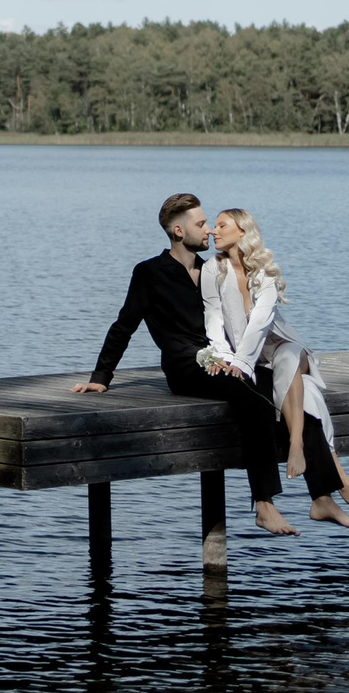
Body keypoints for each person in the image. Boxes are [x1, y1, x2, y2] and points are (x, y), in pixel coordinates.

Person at [75, 192, 299, 536]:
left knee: (286, 385)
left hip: (223, 360)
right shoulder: (149, 273)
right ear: (179, 232)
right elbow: (124, 325)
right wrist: (101, 377)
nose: (209, 230)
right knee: (252, 400)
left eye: (209, 223)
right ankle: (265, 505)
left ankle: (325, 486)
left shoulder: (214, 269)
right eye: (201, 224)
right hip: (185, 369)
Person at [200, 207, 349, 527]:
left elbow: (261, 322)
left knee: (290, 358)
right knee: (305, 397)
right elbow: (214, 318)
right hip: (254, 359)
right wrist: (223, 355)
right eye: (213, 226)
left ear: (242, 231)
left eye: (222, 225)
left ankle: (296, 447)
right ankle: (327, 493)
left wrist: (242, 363)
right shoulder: (213, 270)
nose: (213, 231)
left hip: (283, 349)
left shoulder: (264, 273)